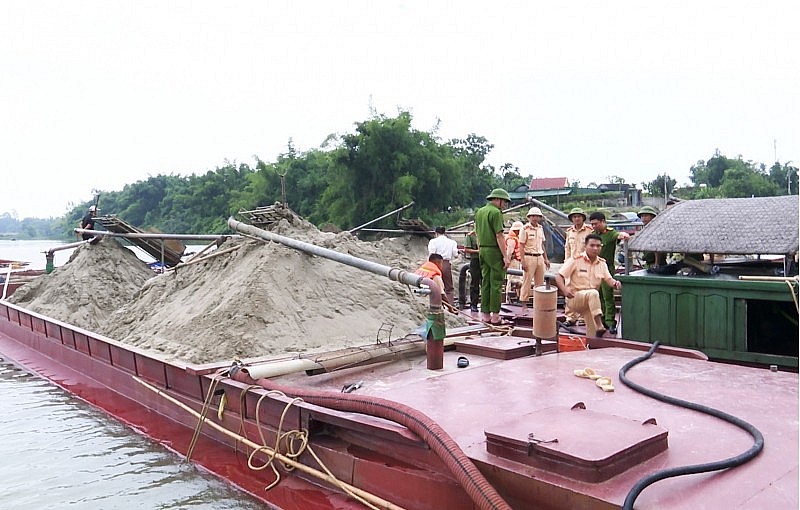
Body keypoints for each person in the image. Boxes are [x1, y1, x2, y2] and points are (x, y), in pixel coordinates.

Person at [555, 234, 622, 337]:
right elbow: (558, 276)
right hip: (575, 298)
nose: (595, 248)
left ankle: (592, 343)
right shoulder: (576, 260)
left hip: (591, 302)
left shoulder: (602, 263)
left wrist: (615, 284)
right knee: (594, 293)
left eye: (598, 246)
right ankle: (600, 325)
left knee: (593, 333)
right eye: (592, 245)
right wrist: (564, 290)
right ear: (585, 246)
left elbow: (609, 279)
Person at [588, 211, 629, 335]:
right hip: (593, 268)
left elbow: (619, 235)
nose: (594, 226)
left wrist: (623, 235)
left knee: (607, 296)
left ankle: (610, 321)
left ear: (602, 222)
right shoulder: (593, 235)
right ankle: (601, 321)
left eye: (595, 224)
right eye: (592, 224)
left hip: (606, 268)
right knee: (597, 295)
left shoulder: (610, 233)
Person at [475, 188, 511, 324]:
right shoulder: (496, 213)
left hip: (483, 250)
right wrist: (505, 256)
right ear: (498, 200)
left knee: (485, 282)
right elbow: (499, 235)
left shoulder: (480, 212)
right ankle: (496, 316)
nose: (505, 205)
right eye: (504, 202)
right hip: (494, 250)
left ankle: (485, 315)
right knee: (496, 283)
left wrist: (480, 250)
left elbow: (477, 234)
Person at [562, 207, 593, 326]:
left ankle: (583, 317)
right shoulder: (569, 231)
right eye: (574, 217)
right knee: (569, 290)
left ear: (583, 218)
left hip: (584, 264)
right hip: (571, 264)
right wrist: (566, 263)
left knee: (584, 290)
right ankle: (570, 317)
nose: (576, 219)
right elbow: (567, 248)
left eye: (579, 216)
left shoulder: (589, 231)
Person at [518, 207, 550, 307]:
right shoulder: (524, 229)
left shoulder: (540, 228)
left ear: (540, 217)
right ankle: (524, 304)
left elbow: (542, 244)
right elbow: (521, 245)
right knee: (527, 281)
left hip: (539, 256)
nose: (534, 218)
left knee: (540, 282)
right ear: (529, 217)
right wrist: (522, 260)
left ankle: (538, 304)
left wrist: (546, 258)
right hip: (529, 256)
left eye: (537, 216)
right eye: (532, 216)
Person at [428, 226, 459, 306]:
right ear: (444, 232)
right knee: (449, 287)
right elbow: (455, 255)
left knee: (435, 285)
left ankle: (437, 304)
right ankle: (450, 306)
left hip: (435, 264)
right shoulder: (452, 242)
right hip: (446, 263)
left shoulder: (433, 241)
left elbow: (431, 254)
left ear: (436, 233)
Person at [462, 228, 481, 312]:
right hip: (475, 260)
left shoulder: (485, 233)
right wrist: (478, 251)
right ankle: (473, 304)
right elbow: (466, 249)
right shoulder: (470, 236)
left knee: (486, 283)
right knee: (475, 283)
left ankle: (486, 305)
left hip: (486, 260)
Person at [505, 221, 524, 303]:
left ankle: (518, 296)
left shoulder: (514, 238)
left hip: (516, 260)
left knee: (517, 278)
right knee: (512, 279)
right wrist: (508, 261)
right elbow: (509, 252)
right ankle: (508, 298)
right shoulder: (511, 239)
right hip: (513, 261)